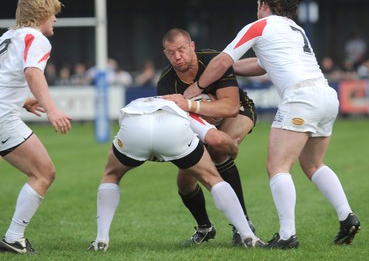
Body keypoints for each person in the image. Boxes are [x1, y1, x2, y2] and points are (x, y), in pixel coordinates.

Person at [183, 0, 361, 249]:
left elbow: (223, 60)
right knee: (313, 164)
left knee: (277, 166)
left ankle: (287, 235)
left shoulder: (260, 25)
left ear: (263, 5)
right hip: (325, 96)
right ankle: (347, 217)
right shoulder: (294, 29)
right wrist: (229, 69)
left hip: (300, 97)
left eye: (258, 3)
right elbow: (258, 65)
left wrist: (196, 86)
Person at [87, 97, 266, 251]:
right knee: (212, 178)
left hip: (135, 127)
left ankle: (101, 239)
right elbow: (216, 139)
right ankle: (248, 236)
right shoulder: (186, 107)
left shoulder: (141, 101)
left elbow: (124, 123)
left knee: (111, 175)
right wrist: (232, 148)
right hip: (172, 129)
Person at [157, 28, 257, 246]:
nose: (178, 57)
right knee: (184, 181)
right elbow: (174, 124)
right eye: (172, 53)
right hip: (200, 124)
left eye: (182, 50)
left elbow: (230, 106)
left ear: (192, 46)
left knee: (219, 149)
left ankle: (243, 225)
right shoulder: (166, 82)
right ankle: (205, 227)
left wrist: (193, 105)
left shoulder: (213, 60)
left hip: (238, 111)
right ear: (166, 54)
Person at [0, 0, 72, 254]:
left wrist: (23, 101)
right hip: (2, 118)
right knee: (44, 173)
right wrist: (52, 109)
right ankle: (14, 238)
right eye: (53, 14)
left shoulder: (8, 36)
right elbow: (32, 73)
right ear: (42, 14)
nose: (55, 20)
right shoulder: (37, 39)